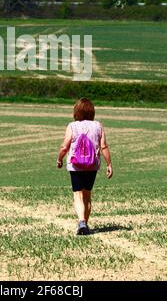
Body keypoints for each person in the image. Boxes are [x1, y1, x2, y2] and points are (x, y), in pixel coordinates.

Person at [57, 98, 113, 235]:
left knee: (77, 194)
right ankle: (85, 224)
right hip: (92, 166)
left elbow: (65, 146)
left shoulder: (72, 126)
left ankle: (82, 222)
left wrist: (59, 159)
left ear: (76, 111)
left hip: (75, 166)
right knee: (87, 195)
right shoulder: (98, 126)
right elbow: (103, 146)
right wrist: (109, 164)